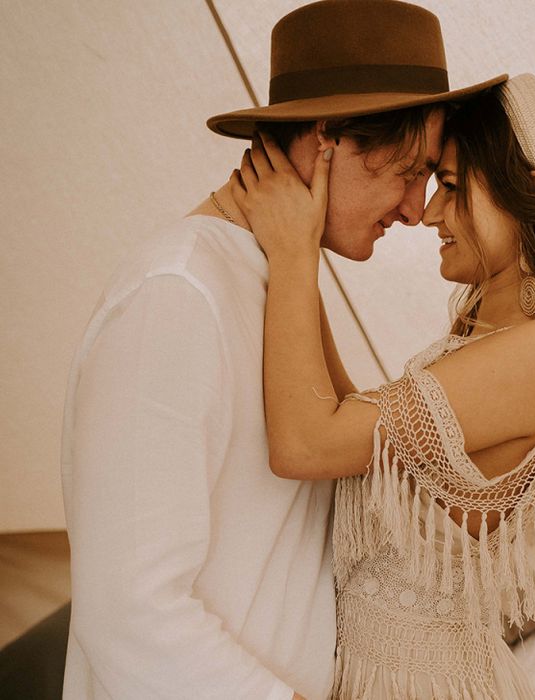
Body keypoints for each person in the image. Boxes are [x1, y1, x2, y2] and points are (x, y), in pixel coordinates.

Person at [59, 1, 506, 699]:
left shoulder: (276, 280)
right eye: (407, 170)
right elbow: (130, 612)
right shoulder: (175, 292)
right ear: (325, 139)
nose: (416, 209)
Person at [231, 72, 535, 698]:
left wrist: (295, 254)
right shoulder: (490, 334)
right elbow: (353, 433)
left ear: (527, 195)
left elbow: (305, 445)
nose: (429, 210)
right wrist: (295, 249)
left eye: (453, 187)